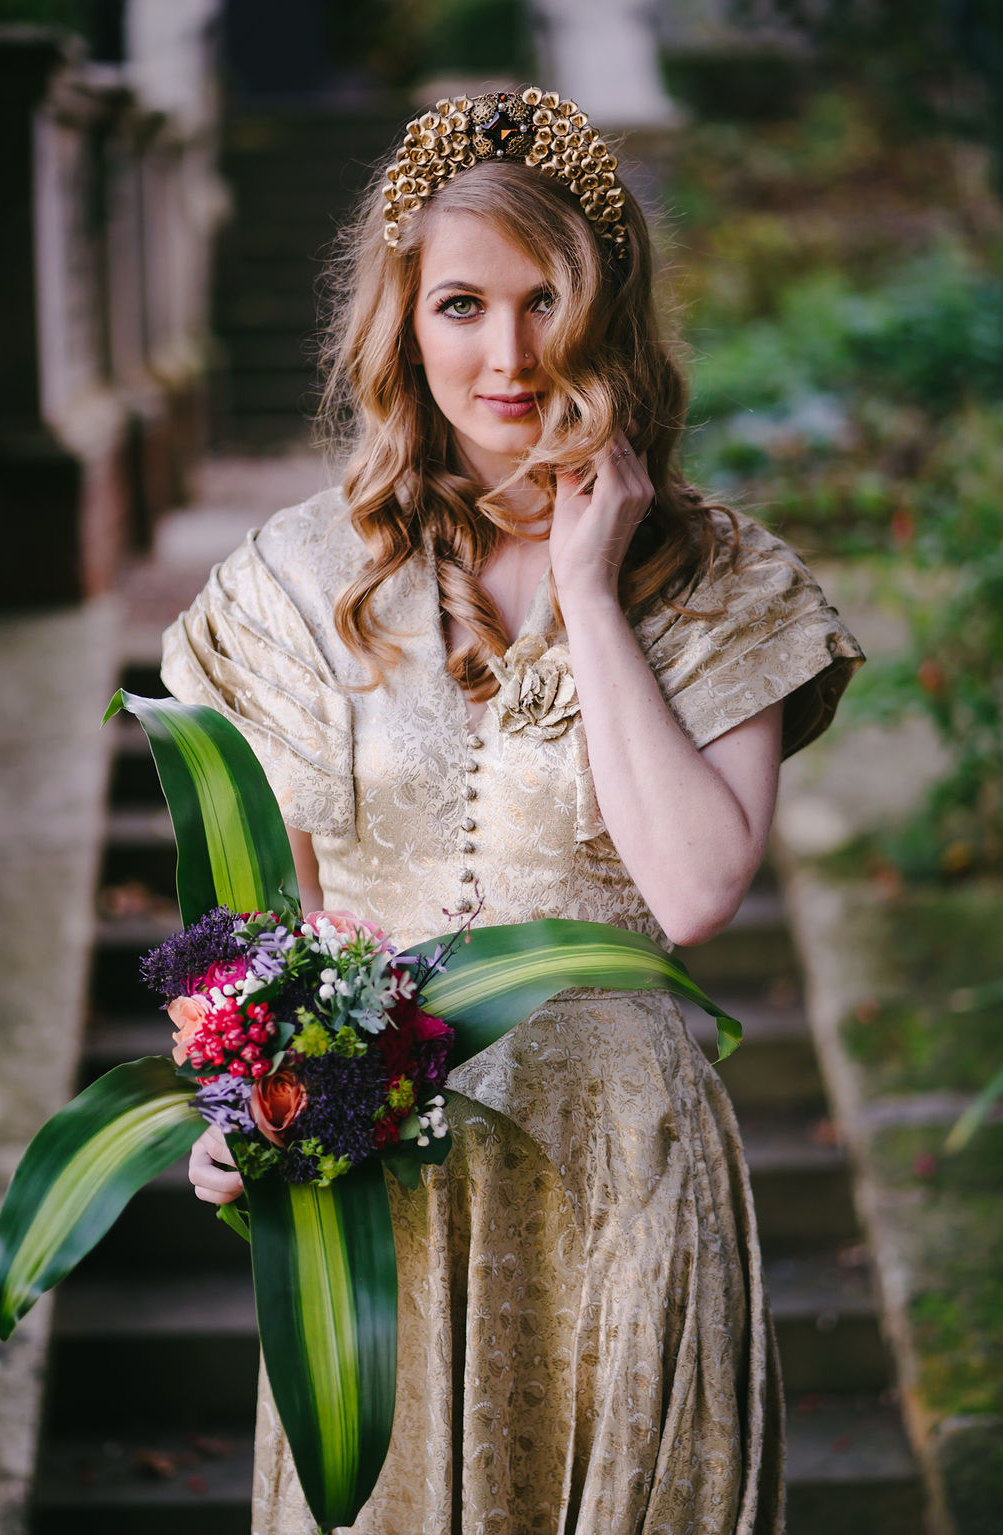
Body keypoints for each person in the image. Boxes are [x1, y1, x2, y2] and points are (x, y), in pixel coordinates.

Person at [162, 87, 863, 1535]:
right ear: (403, 320)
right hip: (382, 1202)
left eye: (547, 299)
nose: (509, 353)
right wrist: (234, 1104)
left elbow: (693, 892)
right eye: (463, 303)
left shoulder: (719, 582)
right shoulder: (291, 589)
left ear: (608, 310)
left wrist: (595, 591)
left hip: (625, 1183)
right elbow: (268, 926)